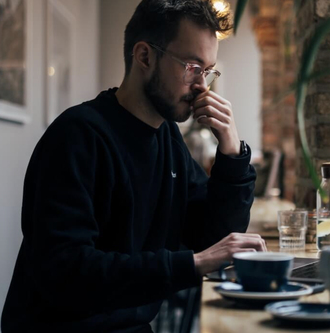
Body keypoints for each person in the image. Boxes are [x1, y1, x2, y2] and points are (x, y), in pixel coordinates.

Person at [1, 0, 266, 331]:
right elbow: (67, 273)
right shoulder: (78, 136)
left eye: (208, 71)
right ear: (145, 56)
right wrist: (192, 264)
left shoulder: (168, 138)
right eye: (192, 68)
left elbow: (214, 235)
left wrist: (231, 151)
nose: (202, 86)